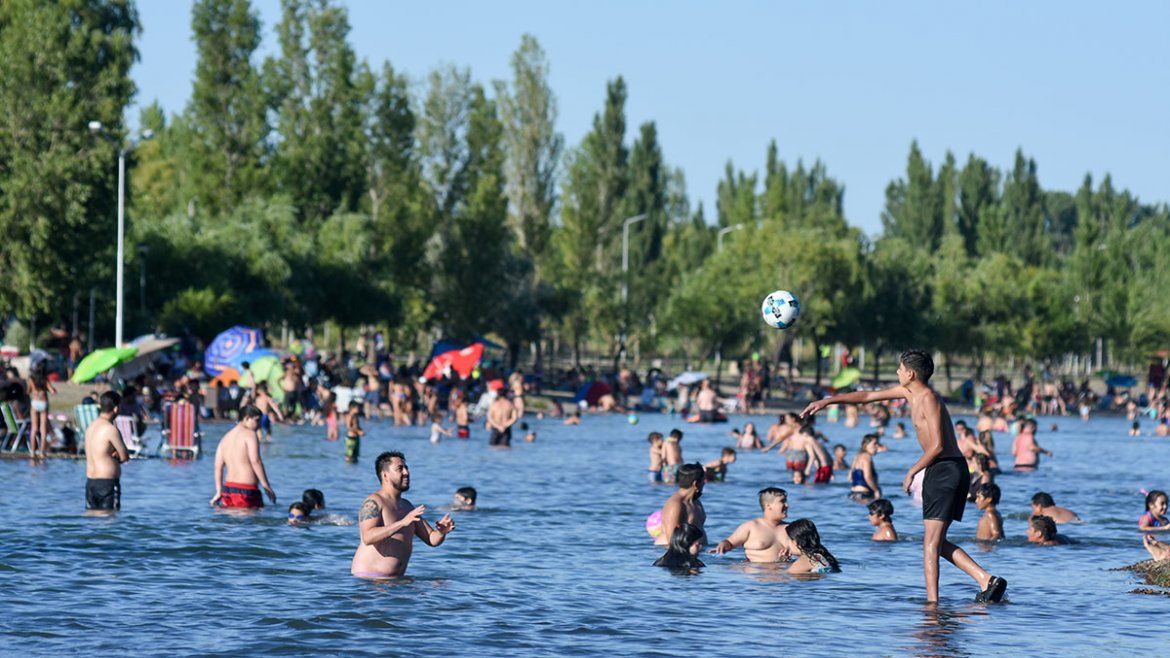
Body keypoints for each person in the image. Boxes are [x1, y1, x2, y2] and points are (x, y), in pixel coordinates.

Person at [801, 349, 1006, 603]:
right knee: (936, 542)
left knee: (930, 544)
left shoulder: (928, 398)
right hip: (944, 468)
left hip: (945, 469)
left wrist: (912, 471)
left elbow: (938, 445)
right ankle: (986, 580)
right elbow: (867, 396)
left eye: (900, 368)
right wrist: (828, 401)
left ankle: (932, 604)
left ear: (910, 374)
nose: (897, 372)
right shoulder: (909, 392)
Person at [351, 451, 455, 579]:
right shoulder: (374, 501)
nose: (406, 472)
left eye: (406, 468)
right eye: (400, 469)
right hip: (369, 580)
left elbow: (431, 539)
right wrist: (402, 523)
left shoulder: (407, 506)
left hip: (396, 581)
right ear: (385, 475)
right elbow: (367, 537)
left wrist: (441, 532)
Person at [210, 405, 277, 509]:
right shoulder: (250, 434)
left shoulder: (225, 438)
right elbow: (256, 461)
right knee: (251, 518)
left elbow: (218, 467)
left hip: (228, 490)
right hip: (246, 490)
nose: (259, 425)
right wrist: (266, 485)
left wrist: (219, 491)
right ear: (246, 418)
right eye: (257, 420)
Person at [710, 487, 796, 562]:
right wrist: (723, 545)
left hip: (784, 573)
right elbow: (730, 542)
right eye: (782, 501)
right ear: (768, 506)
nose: (787, 505)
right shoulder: (751, 527)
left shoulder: (791, 529)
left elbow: (803, 551)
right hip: (756, 573)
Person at [84, 391, 130, 512]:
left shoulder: (90, 427)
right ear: (116, 408)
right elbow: (125, 456)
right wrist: (117, 455)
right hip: (107, 483)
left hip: (91, 482)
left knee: (92, 518)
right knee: (110, 519)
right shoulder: (110, 429)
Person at [653, 463, 706, 546]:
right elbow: (671, 540)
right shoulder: (675, 505)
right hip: (669, 550)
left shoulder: (696, 501)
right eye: (703, 480)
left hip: (694, 550)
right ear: (695, 484)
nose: (705, 483)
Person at [28, 371, 55, 458]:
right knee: (43, 429)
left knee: (34, 429)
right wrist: (49, 389)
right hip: (43, 403)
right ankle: (42, 452)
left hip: (35, 402)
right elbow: (52, 391)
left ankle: (32, 452)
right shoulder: (44, 379)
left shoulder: (32, 379)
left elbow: (28, 391)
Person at [849, 434, 883, 501]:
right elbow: (867, 477)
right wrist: (876, 490)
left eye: (877, 444)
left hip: (853, 494)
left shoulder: (857, 456)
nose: (877, 446)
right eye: (875, 444)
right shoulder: (867, 457)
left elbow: (850, 478)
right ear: (866, 445)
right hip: (864, 495)